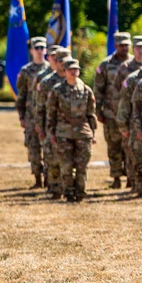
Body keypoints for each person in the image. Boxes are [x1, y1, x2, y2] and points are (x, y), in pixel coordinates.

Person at [46, 58, 97, 202]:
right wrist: (52, 132)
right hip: (63, 132)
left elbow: (91, 114)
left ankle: (80, 192)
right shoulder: (57, 90)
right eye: (70, 69)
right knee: (66, 165)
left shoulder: (86, 90)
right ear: (65, 71)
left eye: (76, 69)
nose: (73, 72)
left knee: (82, 165)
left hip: (83, 132)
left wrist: (93, 133)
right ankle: (68, 192)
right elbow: (51, 113)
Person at [94, 32, 132, 188]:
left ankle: (131, 178)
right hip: (111, 113)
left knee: (129, 147)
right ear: (115, 45)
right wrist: (98, 111)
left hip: (130, 115)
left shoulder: (135, 64)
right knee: (114, 147)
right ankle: (116, 178)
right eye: (121, 45)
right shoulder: (105, 65)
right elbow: (98, 90)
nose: (124, 48)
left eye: (126, 45)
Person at [35, 46, 70, 198]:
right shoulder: (47, 82)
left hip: (71, 127)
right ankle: (55, 188)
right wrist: (40, 127)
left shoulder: (74, 81)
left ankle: (69, 187)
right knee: (52, 157)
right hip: (51, 126)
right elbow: (40, 107)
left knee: (69, 159)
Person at [15, 37, 49, 188]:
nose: (40, 51)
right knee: (33, 148)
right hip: (31, 116)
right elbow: (21, 95)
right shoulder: (26, 71)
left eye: (42, 48)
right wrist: (21, 116)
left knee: (49, 149)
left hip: (48, 116)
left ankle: (50, 178)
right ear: (31, 51)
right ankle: (37, 179)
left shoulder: (51, 69)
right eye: (37, 48)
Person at [115, 36, 142, 190]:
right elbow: (124, 103)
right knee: (136, 157)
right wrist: (123, 125)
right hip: (136, 124)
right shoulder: (132, 79)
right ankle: (137, 185)